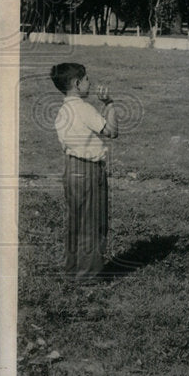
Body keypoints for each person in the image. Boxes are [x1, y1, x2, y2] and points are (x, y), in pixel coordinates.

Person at [50, 62, 119, 283]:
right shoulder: (83, 108)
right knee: (92, 220)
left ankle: (73, 269)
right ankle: (89, 276)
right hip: (89, 170)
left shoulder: (63, 110)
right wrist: (109, 104)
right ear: (77, 84)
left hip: (71, 168)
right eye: (87, 79)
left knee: (75, 220)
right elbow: (111, 131)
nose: (90, 83)